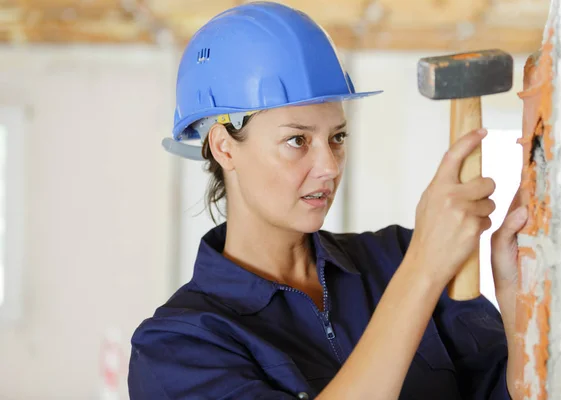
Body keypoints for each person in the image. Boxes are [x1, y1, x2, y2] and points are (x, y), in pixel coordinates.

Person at [128, 2, 527, 399]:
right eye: (297, 140)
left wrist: (514, 296)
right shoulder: (176, 347)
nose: (329, 167)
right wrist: (422, 273)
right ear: (224, 148)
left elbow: (512, 391)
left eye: (337, 137)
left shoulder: (396, 257)